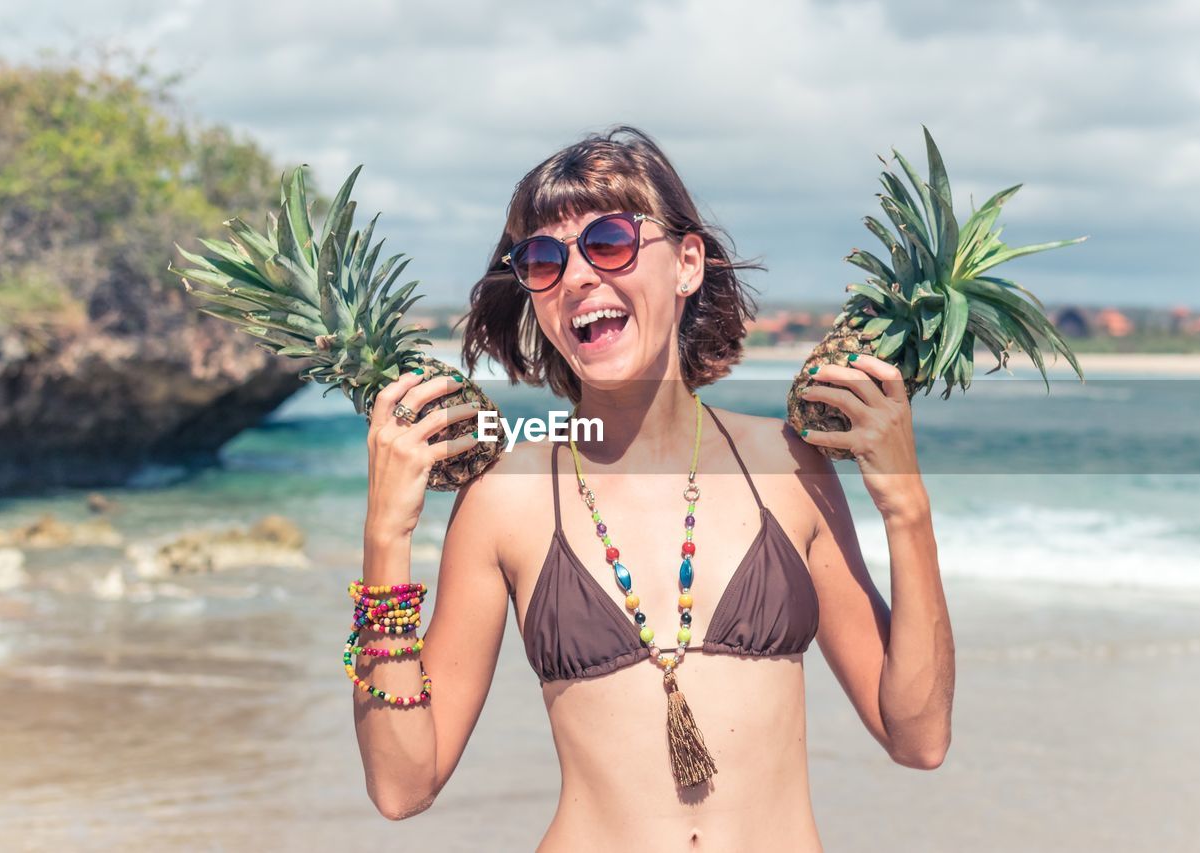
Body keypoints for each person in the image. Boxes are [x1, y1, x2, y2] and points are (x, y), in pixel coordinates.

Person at [353, 125, 954, 850]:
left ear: (688, 263)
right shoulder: (504, 497)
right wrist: (385, 538)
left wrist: (905, 505)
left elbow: (917, 737)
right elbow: (401, 784)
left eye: (609, 242)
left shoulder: (789, 465)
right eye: (542, 260)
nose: (576, 277)